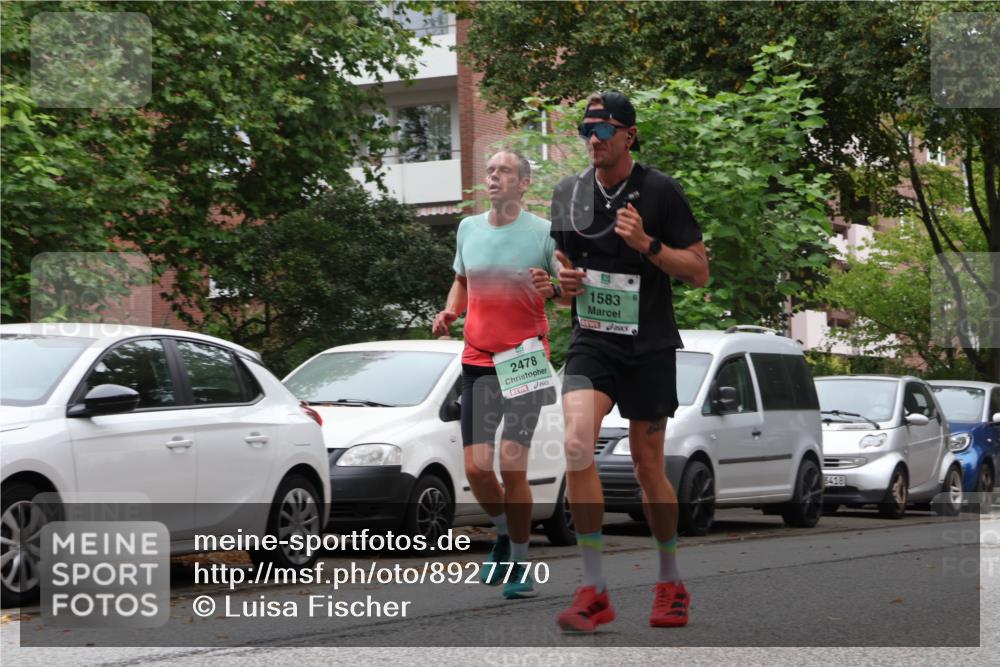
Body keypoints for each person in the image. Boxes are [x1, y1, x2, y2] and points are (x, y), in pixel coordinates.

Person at [546, 92, 710, 632]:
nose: (592, 139)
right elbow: (561, 272)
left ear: (628, 136)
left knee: (645, 465)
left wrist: (647, 244)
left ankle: (671, 580)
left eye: (602, 130)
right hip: (593, 339)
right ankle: (594, 588)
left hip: (649, 345)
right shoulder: (569, 193)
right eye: (585, 130)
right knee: (575, 444)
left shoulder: (660, 190)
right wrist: (562, 284)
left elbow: (698, 270)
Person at [432, 148, 560, 600]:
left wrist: (554, 287)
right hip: (478, 359)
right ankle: (507, 534)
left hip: (524, 359)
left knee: (512, 464)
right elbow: (463, 281)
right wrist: (451, 311)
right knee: (477, 469)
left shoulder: (544, 233)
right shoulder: (468, 228)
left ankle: (522, 564)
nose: (494, 177)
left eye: (504, 170)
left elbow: (565, 294)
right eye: (490, 171)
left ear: (523, 183)